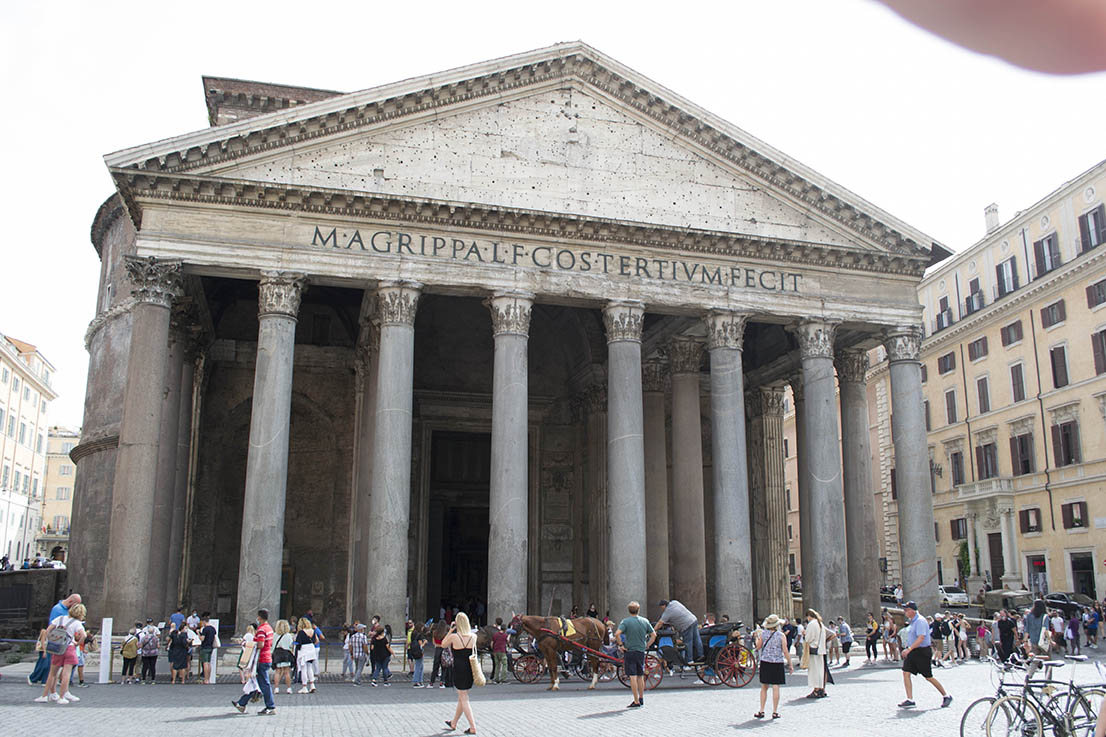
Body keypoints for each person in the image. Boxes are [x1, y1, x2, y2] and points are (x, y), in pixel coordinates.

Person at [898, 601, 952, 709]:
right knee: (906, 672)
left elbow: (921, 638)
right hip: (913, 651)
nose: (905, 612)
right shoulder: (912, 621)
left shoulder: (920, 621)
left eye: (906, 610)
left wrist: (909, 649)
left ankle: (946, 695)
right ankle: (910, 699)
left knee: (928, 676)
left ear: (912, 611)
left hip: (922, 652)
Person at [36, 602, 86, 705]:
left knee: (52, 673)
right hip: (69, 647)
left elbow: (48, 630)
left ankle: (45, 695)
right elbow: (84, 635)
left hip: (57, 648)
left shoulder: (60, 619)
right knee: (66, 673)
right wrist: (77, 643)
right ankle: (62, 696)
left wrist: (51, 640)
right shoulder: (77, 623)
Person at [443, 612, 479, 734]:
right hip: (469, 668)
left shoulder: (454, 637)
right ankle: (454, 722)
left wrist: (450, 630)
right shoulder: (473, 637)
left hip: (458, 668)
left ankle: (473, 726)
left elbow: (443, 644)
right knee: (462, 696)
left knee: (463, 697)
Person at [615, 600, 656, 709]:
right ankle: (642, 698)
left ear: (629, 610)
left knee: (632, 676)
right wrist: (647, 645)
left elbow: (617, 634)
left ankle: (636, 700)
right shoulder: (644, 621)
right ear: (638, 610)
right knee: (640, 675)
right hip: (640, 651)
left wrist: (620, 645)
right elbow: (654, 635)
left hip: (630, 651)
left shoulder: (625, 621)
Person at [754, 614, 792, 719]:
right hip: (777, 662)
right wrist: (790, 663)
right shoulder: (781, 635)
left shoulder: (763, 634)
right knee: (776, 687)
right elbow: (785, 651)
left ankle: (761, 710)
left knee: (764, 687)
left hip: (765, 662)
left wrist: (757, 638)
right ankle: (775, 712)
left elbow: (758, 647)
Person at [656, 599, 702, 667]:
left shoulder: (668, 612)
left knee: (688, 643)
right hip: (693, 620)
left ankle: (689, 660)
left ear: (664, 605)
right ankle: (701, 655)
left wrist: (653, 630)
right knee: (697, 640)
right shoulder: (675, 602)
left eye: (661, 607)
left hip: (685, 625)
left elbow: (660, 623)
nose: (661, 609)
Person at [231, 623, 261, 713]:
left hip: (257, 660)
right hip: (256, 660)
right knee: (254, 684)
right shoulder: (255, 635)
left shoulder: (257, 636)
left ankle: (245, 702)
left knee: (258, 685)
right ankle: (242, 703)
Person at [253, 609, 276, 715]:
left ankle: (270, 706)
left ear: (259, 617)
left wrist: (252, 644)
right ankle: (243, 702)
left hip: (262, 658)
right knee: (261, 682)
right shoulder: (269, 628)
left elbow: (261, 644)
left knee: (264, 683)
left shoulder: (261, 629)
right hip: (267, 657)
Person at [803, 609, 828, 699]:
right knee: (820, 670)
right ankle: (821, 688)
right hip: (821, 649)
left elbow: (808, 638)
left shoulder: (812, 624)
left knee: (814, 670)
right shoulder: (820, 623)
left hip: (813, 649)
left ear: (809, 616)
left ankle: (816, 689)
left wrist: (805, 634)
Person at [294, 617, 319, 693]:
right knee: (309, 667)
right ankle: (312, 685)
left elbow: (298, 642)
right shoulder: (312, 631)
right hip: (311, 649)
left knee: (303, 668)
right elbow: (316, 641)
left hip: (304, 650)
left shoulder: (301, 632)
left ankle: (304, 686)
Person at [271, 619, 295, 694]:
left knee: (277, 671)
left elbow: (272, 645)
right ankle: (288, 688)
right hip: (286, 653)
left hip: (277, 653)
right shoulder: (288, 635)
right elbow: (291, 645)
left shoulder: (274, 635)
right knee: (287, 672)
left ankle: (276, 688)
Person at [198, 613, 217, 684]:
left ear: (204, 621)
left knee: (205, 663)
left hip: (205, 646)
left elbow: (202, 639)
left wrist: (198, 634)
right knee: (208, 663)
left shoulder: (205, 629)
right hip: (210, 646)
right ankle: (208, 678)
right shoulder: (213, 628)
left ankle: (206, 679)